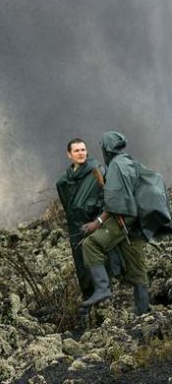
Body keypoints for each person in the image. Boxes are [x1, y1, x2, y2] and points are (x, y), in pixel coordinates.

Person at [80, 132, 157, 314]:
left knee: (91, 245)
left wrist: (97, 222)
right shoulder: (131, 162)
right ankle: (143, 311)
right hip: (136, 222)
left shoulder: (115, 166)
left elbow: (115, 200)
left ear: (107, 149)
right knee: (137, 267)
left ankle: (102, 289)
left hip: (122, 218)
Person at [56, 138, 107, 299]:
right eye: (77, 150)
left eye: (83, 150)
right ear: (69, 154)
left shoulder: (96, 170)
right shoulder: (63, 182)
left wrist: (98, 220)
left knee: (101, 260)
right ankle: (89, 299)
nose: (81, 153)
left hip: (96, 223)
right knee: (81, 266)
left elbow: (107, 196)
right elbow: (67, 207)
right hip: (76, 228)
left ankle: (105, 296)